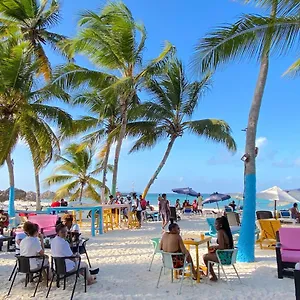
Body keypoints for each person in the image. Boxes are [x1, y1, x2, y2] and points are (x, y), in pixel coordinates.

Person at [203, 216, 233, 281]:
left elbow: (221, 247)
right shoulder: (227, 231)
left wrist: (213, 247)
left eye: (216, 224)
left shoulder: (220, 232)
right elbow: (225, 246)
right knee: (210, 253)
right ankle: (208, 272)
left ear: (221, 225)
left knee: (205, 257)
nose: (215, 225)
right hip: (229, 256)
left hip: (224, 258)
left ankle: (213, 276)